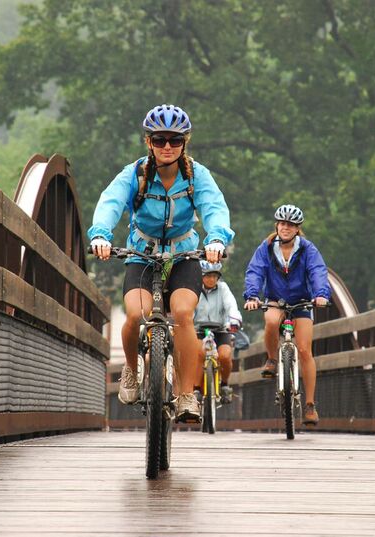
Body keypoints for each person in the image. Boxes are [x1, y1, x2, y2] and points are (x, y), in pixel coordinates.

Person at [89, 104, 234, 423]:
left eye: (174, 140)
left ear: (185, 142)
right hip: (142, 255)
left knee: (183, 314)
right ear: (148, 142)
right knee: (134, 314)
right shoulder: (135, 174)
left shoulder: (197, 175)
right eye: (159, 139)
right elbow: (110, 203)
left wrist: (216, 239)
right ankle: (130, 369)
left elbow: (214, 208)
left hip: (184, 256)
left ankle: (185, 394)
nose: (167, 146)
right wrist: (100, 234)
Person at [242, 204, 330, 426]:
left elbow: (318, 271)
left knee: (304, 350)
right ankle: (272, 360)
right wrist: (252, 296)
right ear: (277, 225)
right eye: (282, 223)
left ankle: (310, 405)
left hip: (302, 302)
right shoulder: (267, 247)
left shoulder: (308, 249)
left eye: (290, 224)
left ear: (298, 228)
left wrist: (320, 294)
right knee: (271, 320)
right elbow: (255, 271)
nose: (286, 227)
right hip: (276, 300)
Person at [193, 260, 242, 404]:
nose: (211, 279)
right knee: (200, 354)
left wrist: (234, 320)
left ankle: (225, 385)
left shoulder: (223, 288)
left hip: (221, 329)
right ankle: (196, 389)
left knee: (225, 356)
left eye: (215, 276)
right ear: (201, 276)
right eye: (208, 276)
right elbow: (189, 310)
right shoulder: (194, 289)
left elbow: (231, 305)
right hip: (199, 330)